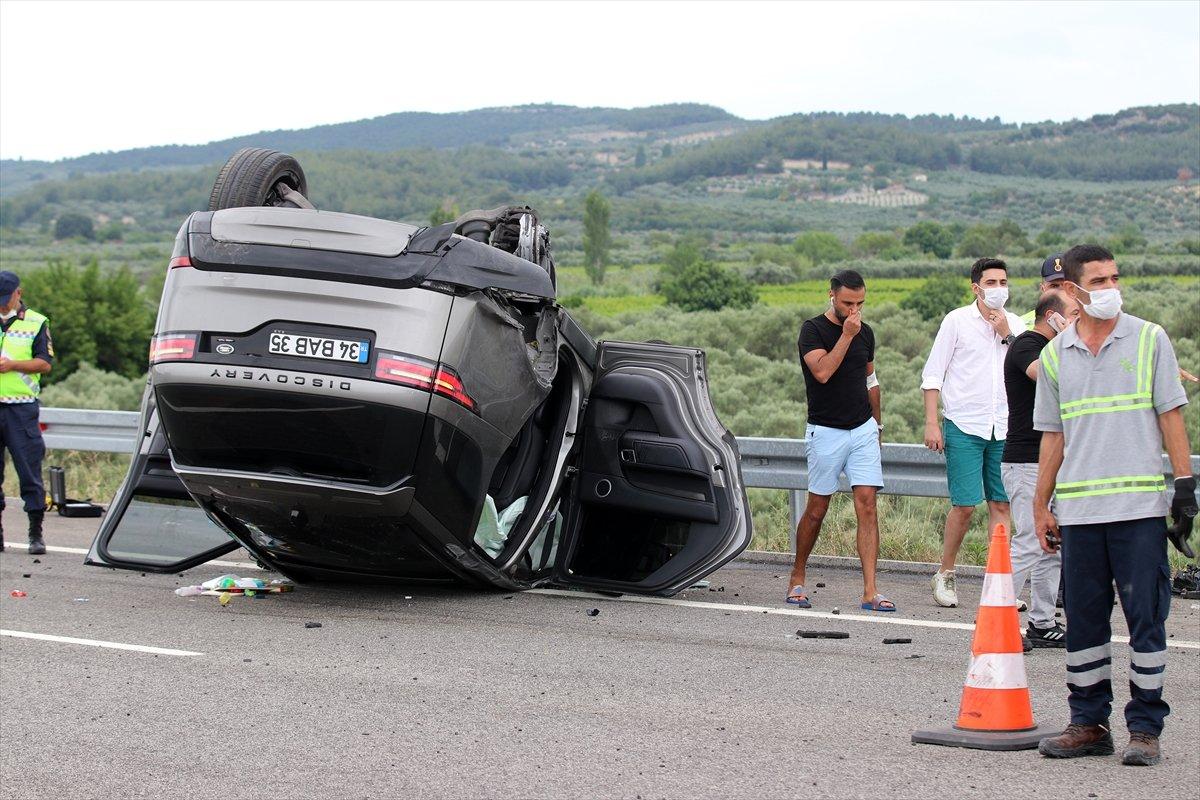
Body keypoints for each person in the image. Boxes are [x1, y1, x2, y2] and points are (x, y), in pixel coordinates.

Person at [1033, 244, 1194, 766]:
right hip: (1080, 515)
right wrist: (1041, 505)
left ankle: (1145, 730)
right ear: (1073, 291)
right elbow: (1052, 438)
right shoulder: (1056, 356)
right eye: (1097, 281)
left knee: (1145, 618)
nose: (1109, 289)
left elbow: (1171, 416)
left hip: (1139, 511)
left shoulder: (1150, 340)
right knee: (1083, 622)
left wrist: (1185, 486)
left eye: (1114, 278)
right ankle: (1088, 723)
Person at [921, 257, 1025, 607]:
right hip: (964, 424)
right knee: (965, 506)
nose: (998, 289)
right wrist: (932, 421)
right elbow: (933, 374)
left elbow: (1027, 367)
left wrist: (1006, 333)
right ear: (975, 287)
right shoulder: (957, 321)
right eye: (991, 282)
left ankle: (999, 582)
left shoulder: (1016, 325)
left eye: (1003, 282)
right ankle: (946, 572)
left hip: (1004, 425)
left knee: (1001, 503)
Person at [786, 270, 892, 612]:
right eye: (848, 302)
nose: (854, 310)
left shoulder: (867, 333)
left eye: (860, 303)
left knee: (867, 504)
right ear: (832, 295)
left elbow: (870, 380)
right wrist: (846, 336)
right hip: (825, 431)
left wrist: (877, 427)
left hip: (862, 429)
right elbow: (823, 372)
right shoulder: (812, 329)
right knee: (817, 509)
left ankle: (870, 591)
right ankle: (797, 577)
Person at [1002, 290, 1078, 647]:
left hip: (1052, 462)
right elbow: (1042, 374)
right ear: (1054, 317)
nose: (1081, 321)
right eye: (1074, 315)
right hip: (1026, 461)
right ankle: (996, 618)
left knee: (1053, 545)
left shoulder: (1058, 347)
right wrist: (1068, 340)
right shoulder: (1026, 346)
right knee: (1030, 541)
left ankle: (1042, 622)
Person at [0, 271, 53, 555]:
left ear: (17, 293)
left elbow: (45, 364)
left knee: (29, 472)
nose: (2, 305)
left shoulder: (36, 322)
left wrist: (13, 365)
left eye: (5, 299)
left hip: (21, 408)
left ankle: (35, 532)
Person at [1019, 254, 1066, 327]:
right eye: (1054, 286)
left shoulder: (1087, 322)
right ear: (1043, 289)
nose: (1060, 292)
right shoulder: (1022, 324)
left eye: (1066, 286)